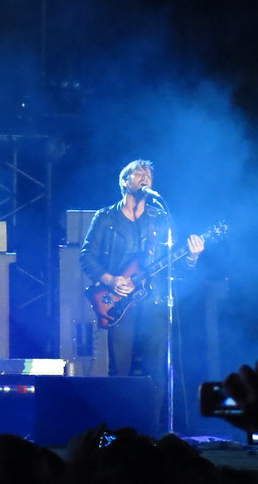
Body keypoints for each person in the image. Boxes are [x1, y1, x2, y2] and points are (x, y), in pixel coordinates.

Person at [79, 159, 205, 427]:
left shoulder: (160, 218)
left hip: (154, 301)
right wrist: (110, 279)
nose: (145, 177)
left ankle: (152, 430)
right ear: (125, 181)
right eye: (138, 173)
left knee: (156, 369)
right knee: (120, 368)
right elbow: (86, 256)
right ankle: (118, 430)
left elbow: (174, 261)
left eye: (148, 174)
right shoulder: (105, 217)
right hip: (119, 303)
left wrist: (192, 257)